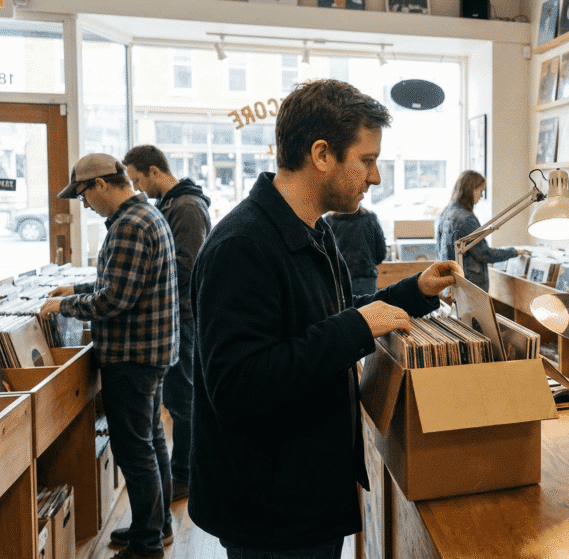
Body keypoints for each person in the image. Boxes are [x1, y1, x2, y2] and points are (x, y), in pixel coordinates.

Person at [187, 79, 461, 559]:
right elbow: (238, 384)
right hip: (271, 511)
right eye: (367, 160)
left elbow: (327, 317)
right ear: (321, 155)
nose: (374, 178)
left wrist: (414, 291)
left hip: (304, 491)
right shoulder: (242, 248)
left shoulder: (312, 229)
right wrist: (358, 327)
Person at [40, 153, 179, 559]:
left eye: (84, 195)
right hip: (147, 353)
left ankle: (147, 544)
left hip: (132, 357)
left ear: (101, 184)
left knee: (135, 450)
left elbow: (115, 298)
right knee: (150, 443)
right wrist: (74, 289)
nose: (84, 204)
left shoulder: (131, 224)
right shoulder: (143, 217)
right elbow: (117, 279)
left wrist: (65, 307)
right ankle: (155, 526)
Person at [123, 144, 212, 503]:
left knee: (183, 399)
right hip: (178, 315)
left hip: (185, 316)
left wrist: (143, 280)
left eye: (138, 179)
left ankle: (186, 476)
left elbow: (186, 269)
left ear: (155, 171)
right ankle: (184, 473)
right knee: (179, 398)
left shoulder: (187, 207)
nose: (138, 188)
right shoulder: (173, 204)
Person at [435, 170, 525, 291]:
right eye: (480, 190)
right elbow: (484, 254)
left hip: (450, 283)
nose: (481, 195)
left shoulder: (446, 212)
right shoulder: (466, 219)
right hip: (469, 285)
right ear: (470, 189)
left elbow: (439, 251)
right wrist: (514, 252)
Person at [322, 204, 387, 296]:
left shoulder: (328, 220)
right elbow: (381, 253)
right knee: (366, 309)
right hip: (366, 278)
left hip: (339, 280)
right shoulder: (370, 217)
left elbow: (323, 254)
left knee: (343, 310)